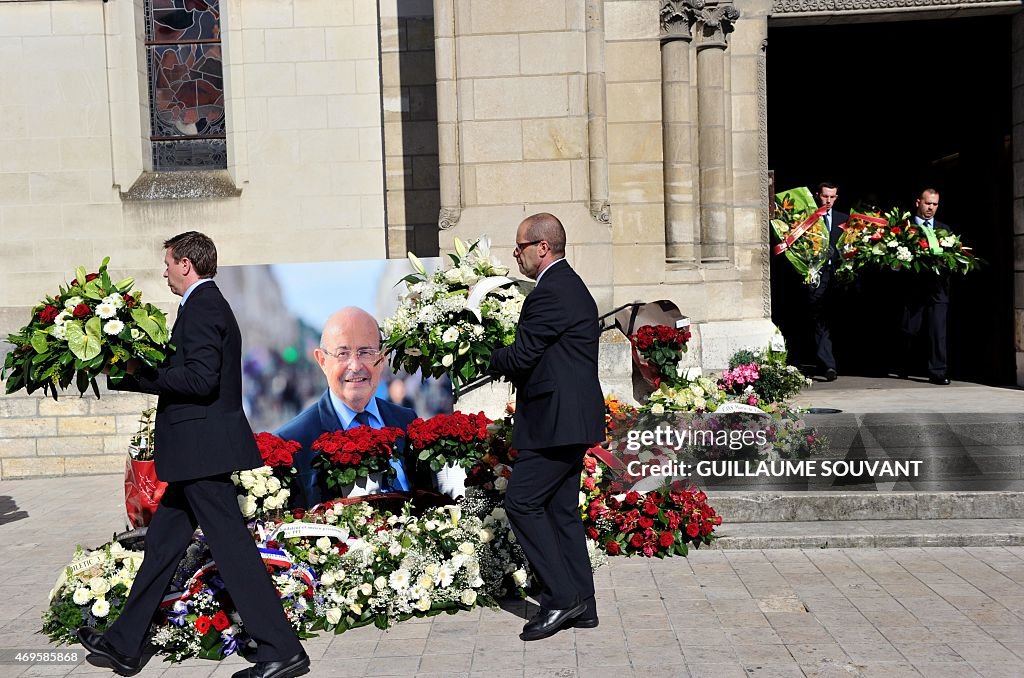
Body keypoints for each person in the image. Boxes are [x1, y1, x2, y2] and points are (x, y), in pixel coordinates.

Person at [79, 232, 309, 678]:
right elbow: (191, 371)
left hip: (202, 450)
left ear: (186, 263)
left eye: (167, 263)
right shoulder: (202, 305)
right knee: (163, 547)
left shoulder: (203, 306)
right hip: (195, 453)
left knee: (232, 548)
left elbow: (201, 380)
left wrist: (136, 377)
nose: (164, 271)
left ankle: (282, 649)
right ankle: (125, 645)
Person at [488, 213, 605, 641]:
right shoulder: (565, 285)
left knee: (522, 503)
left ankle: (561, 598)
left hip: (556, 423)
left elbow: (521, 357)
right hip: (564, 421)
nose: (515, 254)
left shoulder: (551, 291)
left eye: (519, 246)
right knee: (560, 512)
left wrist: (484, 355)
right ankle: (584, 604)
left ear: (543, 247)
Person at [276, 307, 422, 507]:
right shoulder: (293, 442)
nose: (355, 365)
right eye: (342, 353)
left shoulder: (406, 421)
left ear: (382, 358)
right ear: (322, 361)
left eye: (366, 352)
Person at [901, 188, 951, 385]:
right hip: (912, 289)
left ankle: (938, 372)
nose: (931, 207)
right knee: (909, 330)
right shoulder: (904, 228)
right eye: (928, 203)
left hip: (938, 289)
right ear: (918, 202)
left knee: (938, 331)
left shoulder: (944, 229)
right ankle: (903, 364)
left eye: (935, 204)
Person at [807, 181, 848, 381]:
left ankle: (833, 359)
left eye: (832, 197)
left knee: (835, 319)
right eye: (825, 196)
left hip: (839, 276)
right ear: (817, 195)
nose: (828, 201)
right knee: (820, 318)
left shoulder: (844, 220)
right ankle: (828, 364)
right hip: (817, 275)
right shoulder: (808, 219)